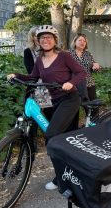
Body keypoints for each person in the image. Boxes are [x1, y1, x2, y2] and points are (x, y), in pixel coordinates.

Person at [8, 25, 86, 190]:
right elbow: (33, 77)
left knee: (51, 135)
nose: (45, 40)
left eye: (49, 37)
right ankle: (66, 172)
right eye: (42, 38)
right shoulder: (39, 59)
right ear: (38, 41)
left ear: (55, 40)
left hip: (69, 99)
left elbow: (81, 73)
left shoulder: (64, 56)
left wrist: (70, 83)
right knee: (60, 138)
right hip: (52, 102)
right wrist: (16, 75)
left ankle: (61, 178)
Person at [70, 33, 101, 119]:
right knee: (74, 109)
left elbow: (94, 67)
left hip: (89, 84)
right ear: (75, 41)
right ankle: (74, 130)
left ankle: (95, 126)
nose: (82, 42)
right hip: (74, 86)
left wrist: (96, 66)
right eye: (80, 40)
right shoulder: (68, 54)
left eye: (84, 41)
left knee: (93, 108)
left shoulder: (88, 54)